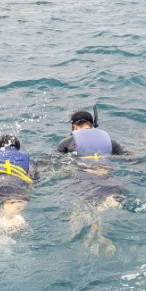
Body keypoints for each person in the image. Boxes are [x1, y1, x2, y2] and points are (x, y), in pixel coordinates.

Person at [55, 108, 129, 256]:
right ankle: (102, 236)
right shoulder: (110, 142)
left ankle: (93, 237)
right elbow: (129, 158)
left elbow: (49, 162)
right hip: (109, 182)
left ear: (74, 127)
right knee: (103, 207)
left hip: (82, 182)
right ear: (93, 125)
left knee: (81, 211)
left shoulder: (68, 142)